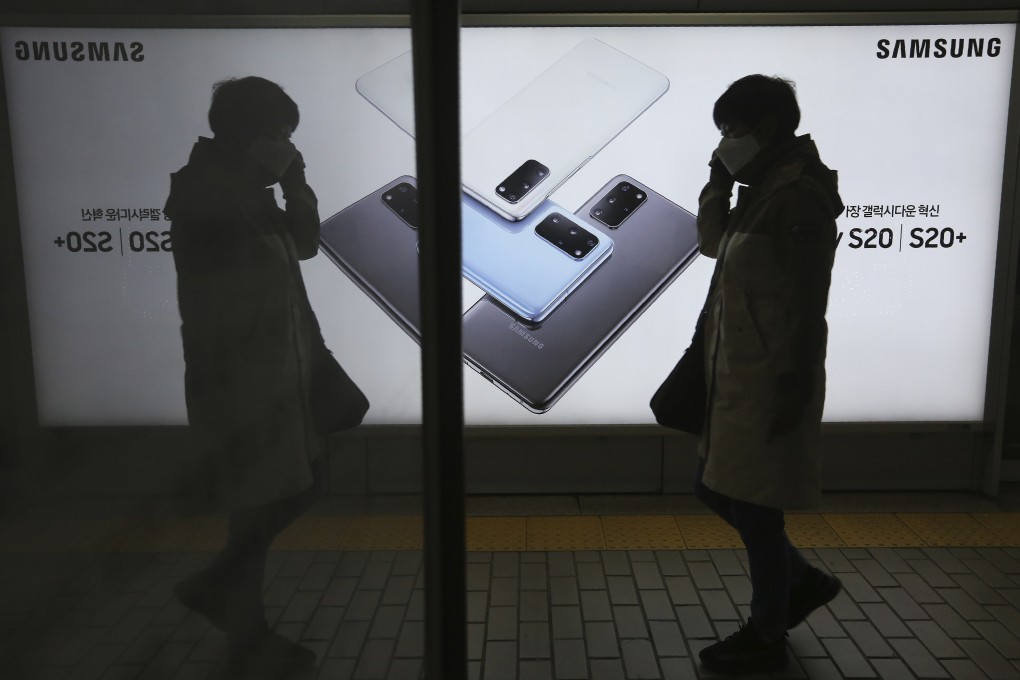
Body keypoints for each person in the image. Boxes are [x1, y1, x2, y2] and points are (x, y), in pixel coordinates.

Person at [165, 76, 327, 680]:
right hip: (240, 389)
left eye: (289, 135)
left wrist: (295, 184)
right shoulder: (203, 192)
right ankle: (242, 629)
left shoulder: (253, 191)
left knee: (284, 496)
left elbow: (306, 246)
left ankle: (228, 604)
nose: (284, 145)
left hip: (278, 381)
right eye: (275, 134)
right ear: (235, 131)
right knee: (262, 505)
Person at [693, 74, 844, 675]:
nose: (725, 142)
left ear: (767, 128)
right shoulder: (758, 188)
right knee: (711, 487)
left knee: (757, 511)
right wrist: (716, 184)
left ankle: (766, 631)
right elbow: (711, 244)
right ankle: (799, 582)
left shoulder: (801, 196)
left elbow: (810, 301)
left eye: (731, 131)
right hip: (736, 375)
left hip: (773, 378)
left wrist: (795, 385)